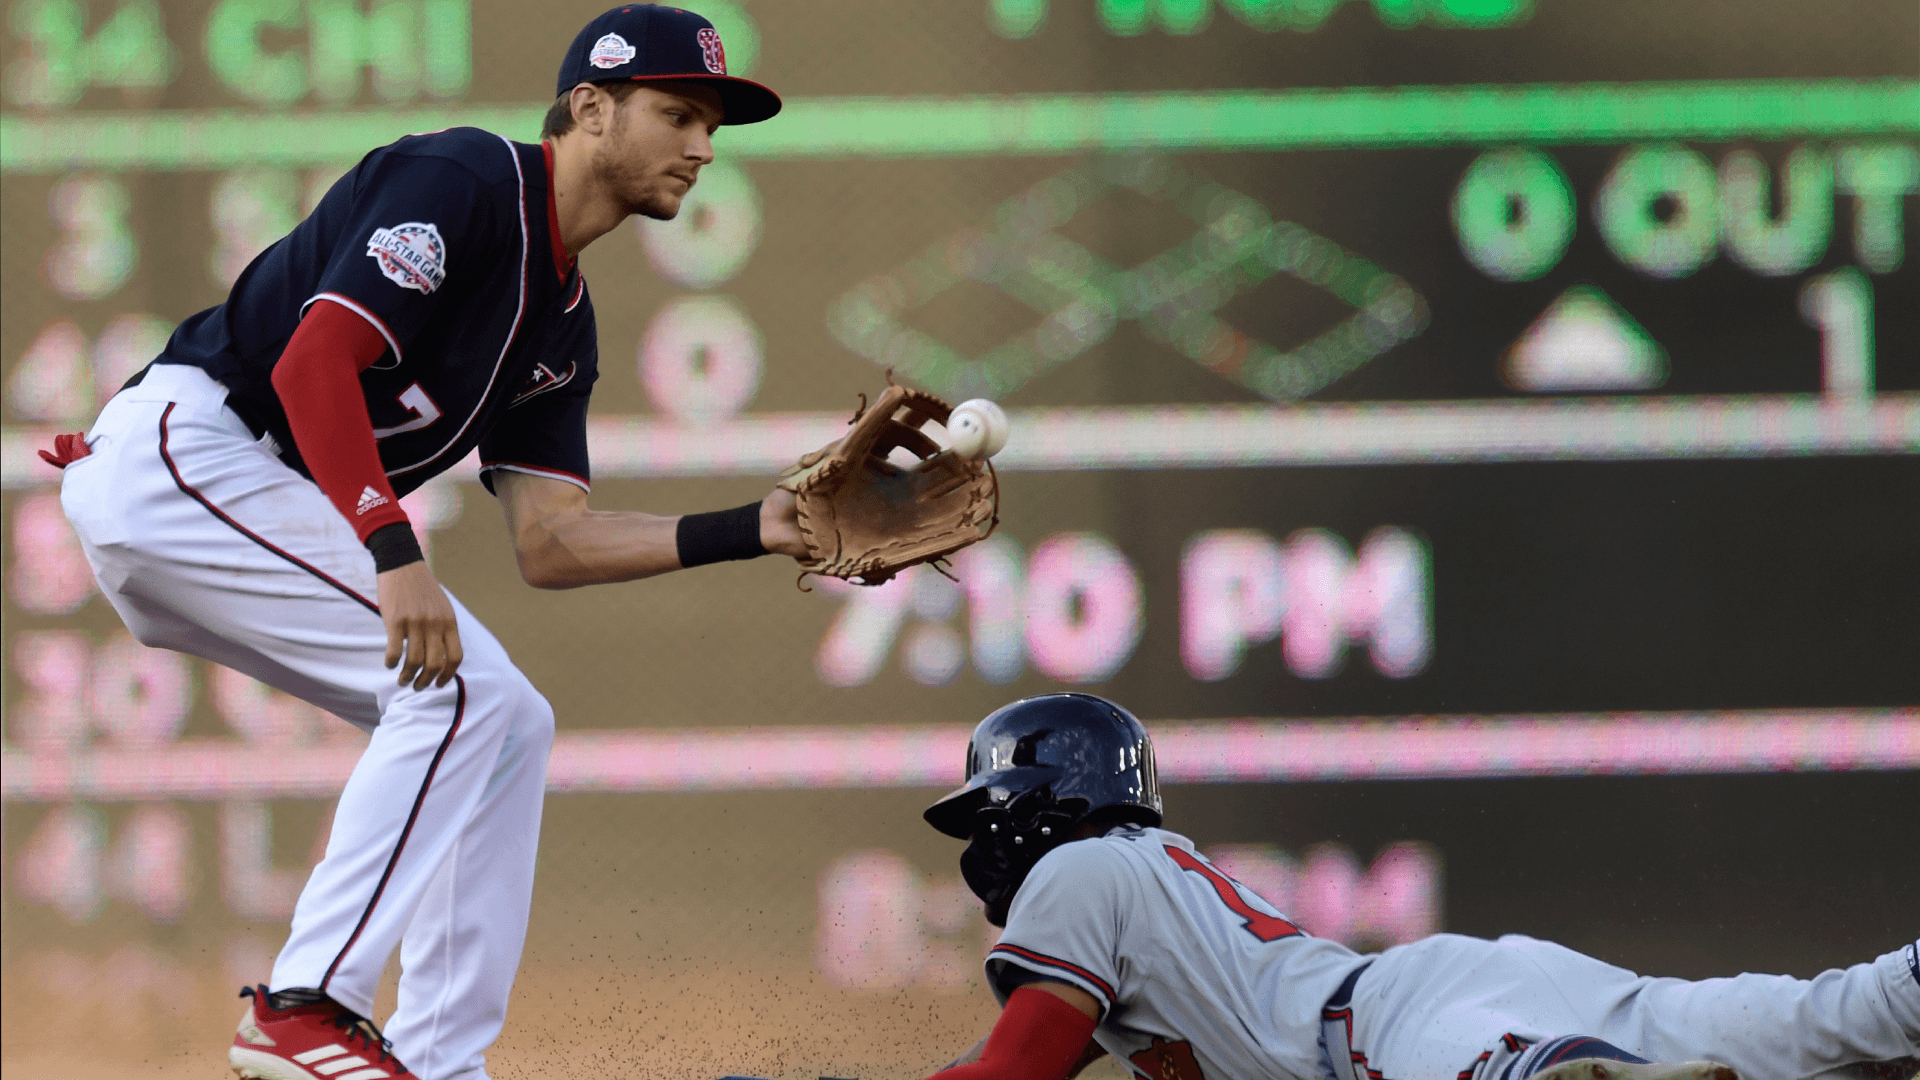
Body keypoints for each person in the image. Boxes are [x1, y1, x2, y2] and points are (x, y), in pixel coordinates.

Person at [47, 6, 789, 1078]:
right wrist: (397, 556)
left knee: (509, 721)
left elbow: (555, 542)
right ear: (590, 107)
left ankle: (441, 1063)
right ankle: (305, 1006)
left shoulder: (562, 325)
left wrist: (757, 528)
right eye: (677, 113)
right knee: (460, 695)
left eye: (713, 125)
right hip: (186, 455)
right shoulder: (469, 183)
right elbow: (314, 366)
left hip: (236, 494)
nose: (703, 147)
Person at [917, 693, 1920, 1080]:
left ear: (1047, 796)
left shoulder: (1076, 871)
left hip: (1386, 1042)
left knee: (1514, 1079)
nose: (985, 840)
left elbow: (1013, 1075)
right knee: (1823, 1019)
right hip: (1466, 993)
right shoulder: (1135, 888)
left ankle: (1577, 1077)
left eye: (991, 808)